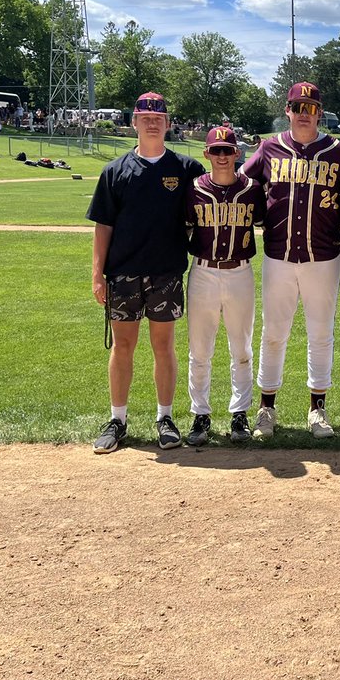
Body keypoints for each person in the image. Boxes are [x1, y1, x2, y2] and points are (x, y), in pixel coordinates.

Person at [240, 82, 340, 438]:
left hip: (323, 257)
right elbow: (242, 185)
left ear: (319, 113)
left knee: (320, 333)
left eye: (311, 108)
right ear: (288, 110)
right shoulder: (269, 148)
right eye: (298, 107)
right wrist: (261, 215)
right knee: (274, 333)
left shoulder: (337, 152)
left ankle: (317, 409)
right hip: (279, 255)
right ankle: (266, 409)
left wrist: (339, 215)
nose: (304, 114)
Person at [87, 93, 204, 454]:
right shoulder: (115, 171)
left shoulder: (187, 170)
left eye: (159, 117)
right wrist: (97, 274)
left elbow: (206, 214)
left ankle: (165, 418)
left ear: (168, 123)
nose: (152, 122)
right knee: (123, 346)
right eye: (145, 117)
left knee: (163, 346)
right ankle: (117, 420)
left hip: (166, 273)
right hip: (124, 274)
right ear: (135, 122)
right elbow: (103, 226)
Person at [184, 126, 264, 447]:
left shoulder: (252, 190)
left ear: (237, 153)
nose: (221, 156)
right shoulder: (193, 190)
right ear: (206, 154)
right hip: (203, 272)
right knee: (200, 351)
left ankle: (239, 413)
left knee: (241, 349)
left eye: (227, 150)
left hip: (239, 272)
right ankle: (200, 414)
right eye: (215, 150)